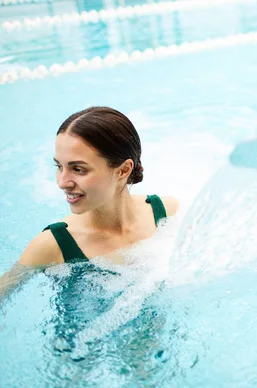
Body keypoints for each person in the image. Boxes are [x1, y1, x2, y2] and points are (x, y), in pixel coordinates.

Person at [0, 106, 178, 306]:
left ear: (123, 170)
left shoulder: (166, 214)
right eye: (59, 167)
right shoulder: (54, 245)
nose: (62, 182)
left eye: (78, 169)